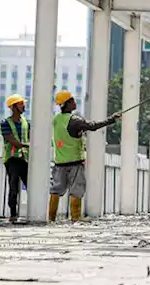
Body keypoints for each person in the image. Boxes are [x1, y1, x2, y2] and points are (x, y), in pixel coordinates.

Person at [48, 89, 120, 222]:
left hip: (59, 162)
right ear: (67, 104)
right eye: (72, 101)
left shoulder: (56, 120)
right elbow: (92, 126)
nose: (75, 102)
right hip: (75, 162)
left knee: (56, 190)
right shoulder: (74, 120)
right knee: (77, 189)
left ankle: (51, 217)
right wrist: (111, 119)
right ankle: (75, 217)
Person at [0, 95, 30, 222]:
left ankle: (33, 212)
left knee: (31, 185)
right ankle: (13, 214)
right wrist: (28, 146)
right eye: (21, 104)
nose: (23, 106)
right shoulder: (5, 123)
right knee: (13, 186)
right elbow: (12, 141)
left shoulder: (25, 122)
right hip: (12, 159)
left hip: (24, 157)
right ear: (13, 107)